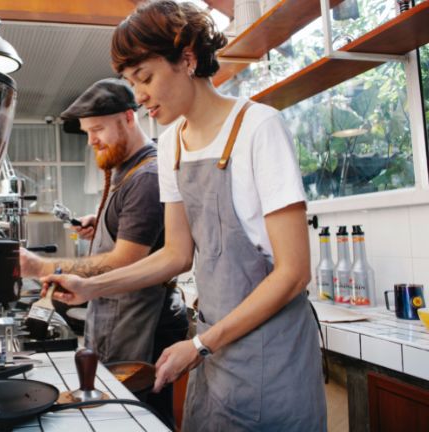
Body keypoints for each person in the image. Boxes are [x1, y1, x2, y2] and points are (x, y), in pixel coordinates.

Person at [41, 1, 327, 431]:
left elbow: (293, 273)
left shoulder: (258, 128)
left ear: (187, 60)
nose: (138, 96)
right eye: (130, 82)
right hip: (216, 345)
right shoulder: (172, 143)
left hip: (272, 348)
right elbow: (175, 255)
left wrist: (200, 345)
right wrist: (89, 287)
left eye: (146, 77)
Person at [20, 78, 188, 423]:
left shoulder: (147, 176)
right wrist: (101, 226)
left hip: (143, 322)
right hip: (118, 318)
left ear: (129, 117)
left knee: (142, 419)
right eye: (86, 132)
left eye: (97, 128)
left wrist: (43, 267)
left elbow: (125, 260)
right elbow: (132, 235)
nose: (91, 139)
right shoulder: (127, 169)